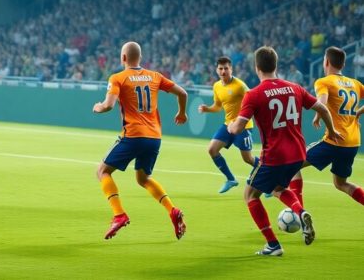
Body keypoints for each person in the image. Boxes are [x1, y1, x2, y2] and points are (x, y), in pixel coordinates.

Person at [228, 46, 341, 256]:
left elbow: (237, 128)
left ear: (256, 67)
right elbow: (323, 109)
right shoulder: (295, 88)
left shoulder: (254, 94)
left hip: (274, 156)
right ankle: (301, 211)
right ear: (276, 65)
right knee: (278, 188)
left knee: (250, 195)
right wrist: (332, 131)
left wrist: (229, 125)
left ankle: (273, 245)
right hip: (298, 154)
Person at [92, 41, 188, 240]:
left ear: (123, 58)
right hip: (154, 137)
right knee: (143, 178)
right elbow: (183, 93)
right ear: (140, 58)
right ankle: (172, 210)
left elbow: (109, 105)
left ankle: (119, 214)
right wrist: (181, 113)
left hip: (133, 135)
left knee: (102, 171)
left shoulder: (118, 78)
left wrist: (98, 106)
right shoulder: (155, 76)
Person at [289, 46, 364, 208]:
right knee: (341, 183)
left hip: (334, 140)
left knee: (292, 164)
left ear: (326, 62)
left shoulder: (323, 82)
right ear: (343, 65)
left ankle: (299, 212)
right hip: (352, 143)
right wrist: (358, 113)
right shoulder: (356, 84)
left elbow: (321, 102)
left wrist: (318, 115)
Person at [198, 56, 259, 193]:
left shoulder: (240, 85)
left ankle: (270, 180)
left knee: (248, 159)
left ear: (231, 69)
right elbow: (218, 106)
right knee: (212, 150)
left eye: (226, 68)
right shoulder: (217, 86)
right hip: (228, 124)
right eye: (221, 68)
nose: (223, 71)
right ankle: (231, 179)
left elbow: (254, 99)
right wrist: (207, 109)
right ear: (216, 70)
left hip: (243, 126)